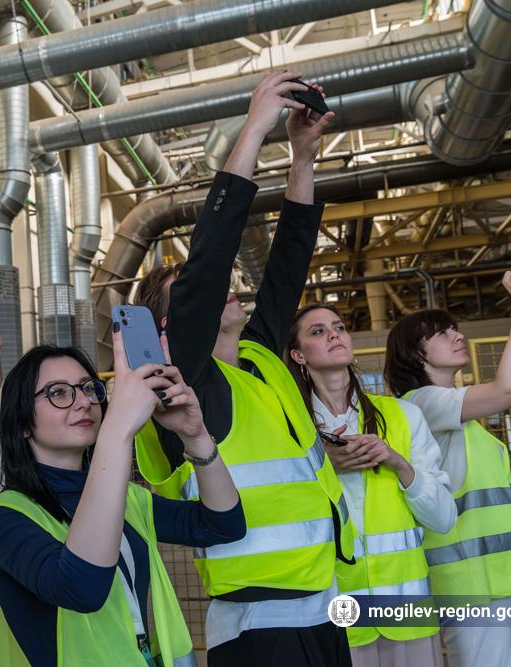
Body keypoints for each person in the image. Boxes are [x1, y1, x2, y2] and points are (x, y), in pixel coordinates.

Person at [133, 72, 356, 666]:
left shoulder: (258, 359)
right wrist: (254, 130)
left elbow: (290, 259)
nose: (224, 288)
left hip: (322, 600)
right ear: (171, 325)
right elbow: (209, 260)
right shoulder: (185, 383)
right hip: (261, 621)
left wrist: (302, 156)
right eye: (192, 294)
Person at [0, 331, 245, 667]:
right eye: (58, 392)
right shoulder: (4, 517)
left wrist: (196, 436)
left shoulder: (129, 499)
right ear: (22, 424)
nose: (84, 401)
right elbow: (82, 588)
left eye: (89, 388)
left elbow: (223, 525)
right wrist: (117, 432)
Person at [385, 254, 511, 667]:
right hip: (467, 583)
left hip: (501, 577)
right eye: (442, 333)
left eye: (454, 328)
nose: (457, 335)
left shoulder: (458, 415)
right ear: (414, 355)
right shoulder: (419, 405)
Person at [285, 303, 456, 665]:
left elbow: (443, 519)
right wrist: (322, 466)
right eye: (318, 331)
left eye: (339, 327)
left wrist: (398, 463)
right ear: (298, 355)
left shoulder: (404, 416)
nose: (334, 335)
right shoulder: (290, 432)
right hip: (335, 613)